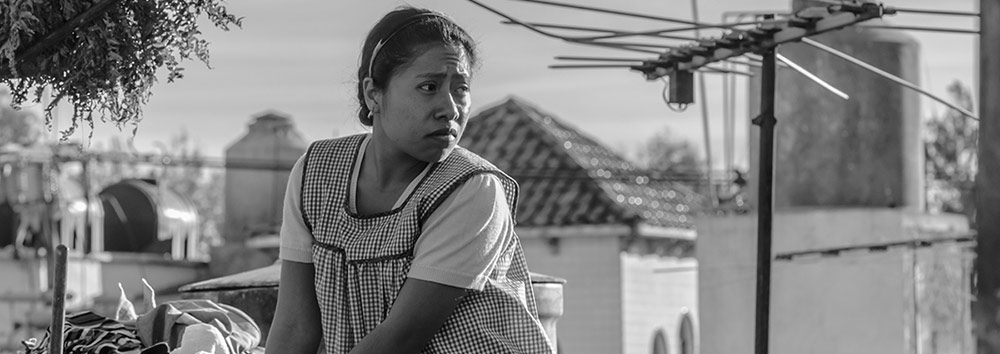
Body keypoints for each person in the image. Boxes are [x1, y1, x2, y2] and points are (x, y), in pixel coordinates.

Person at [265, 7, 554, 354]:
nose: (450, 108)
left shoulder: (471, 188)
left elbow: (400, 340)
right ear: (374, 94)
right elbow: (295, 328)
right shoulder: (316, 173)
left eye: (460, 88)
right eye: (428, 87)